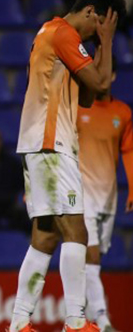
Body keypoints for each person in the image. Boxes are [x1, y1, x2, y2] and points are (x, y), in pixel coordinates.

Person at [9, 0, 125, 332]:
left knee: (45, 237)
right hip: (51, 144)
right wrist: (107, 43)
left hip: (42, 145)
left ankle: (18, 321)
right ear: (91, 12)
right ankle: (75, 322)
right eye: (100, 24)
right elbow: (103, 84)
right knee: (77, 229)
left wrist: (98, 47)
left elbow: (90, 96)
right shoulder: (63, 34)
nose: (97, 33)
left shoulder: (54, 34)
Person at [76, 62, 133, 332]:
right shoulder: (77, 108)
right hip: (82, 194)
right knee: (92, 257)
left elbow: (128, 151)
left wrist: (132, 186)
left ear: (112, 76)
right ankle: (102, 319)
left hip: (108, 198)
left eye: (104, 72)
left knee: (93, 262)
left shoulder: (122, 112)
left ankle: (85, 321)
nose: (99, 78)